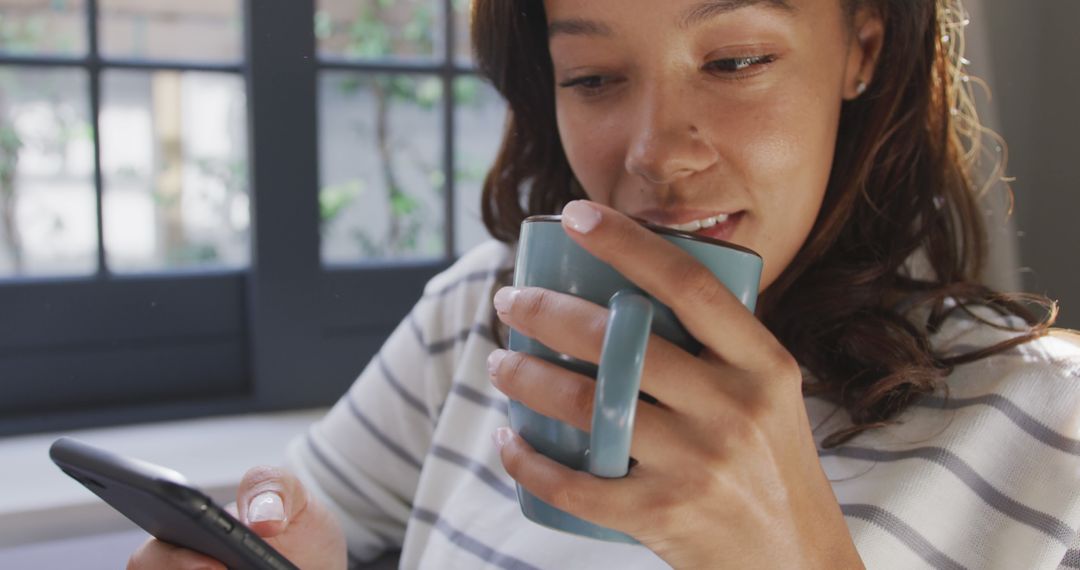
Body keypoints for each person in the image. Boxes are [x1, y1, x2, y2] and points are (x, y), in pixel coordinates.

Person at [129, 0, 1080, 568]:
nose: (656, 154)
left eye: (736, 60)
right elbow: (292, 521)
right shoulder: (479, 319)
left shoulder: (1044, 429)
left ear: (862, 49)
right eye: (590, 78)